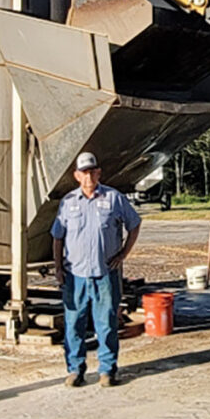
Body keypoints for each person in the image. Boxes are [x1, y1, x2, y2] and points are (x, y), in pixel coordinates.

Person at [52, 152, 141, 388]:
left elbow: (135, 224)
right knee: (74, 324)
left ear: (98, 173)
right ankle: (75, 370)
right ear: (76, 176)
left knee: (107, 323)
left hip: (105, 274)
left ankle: (107, 370)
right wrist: (58, 268)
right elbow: (57, 237)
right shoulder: (68, 203)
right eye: (84, 172)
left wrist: (123, 254)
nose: (89, 176)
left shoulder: (114, 199)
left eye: (92, 171)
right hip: (75, 276)